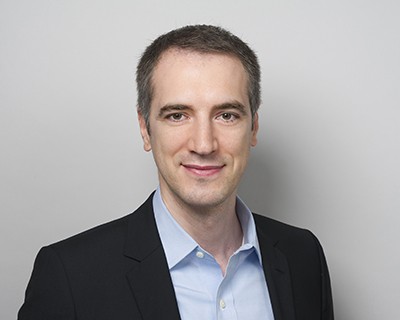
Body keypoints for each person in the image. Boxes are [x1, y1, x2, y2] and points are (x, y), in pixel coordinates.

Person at [18, 25, 334, 320]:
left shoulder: (303, 256)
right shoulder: (70, 275)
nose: (204, 144)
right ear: (145, 129)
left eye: (226, 115)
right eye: (178, 115)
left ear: (254, 127)